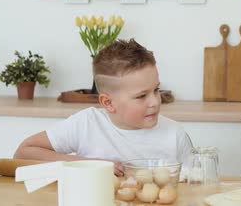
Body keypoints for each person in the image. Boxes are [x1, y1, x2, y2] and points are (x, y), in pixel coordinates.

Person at [13, 39, 193, 176]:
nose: (155, 101)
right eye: (141, 96)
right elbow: (22, 154)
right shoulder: (86, 124)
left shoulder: (175, 135)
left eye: (156, 90)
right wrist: (89, 164)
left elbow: (195, 189)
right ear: (108, 103)